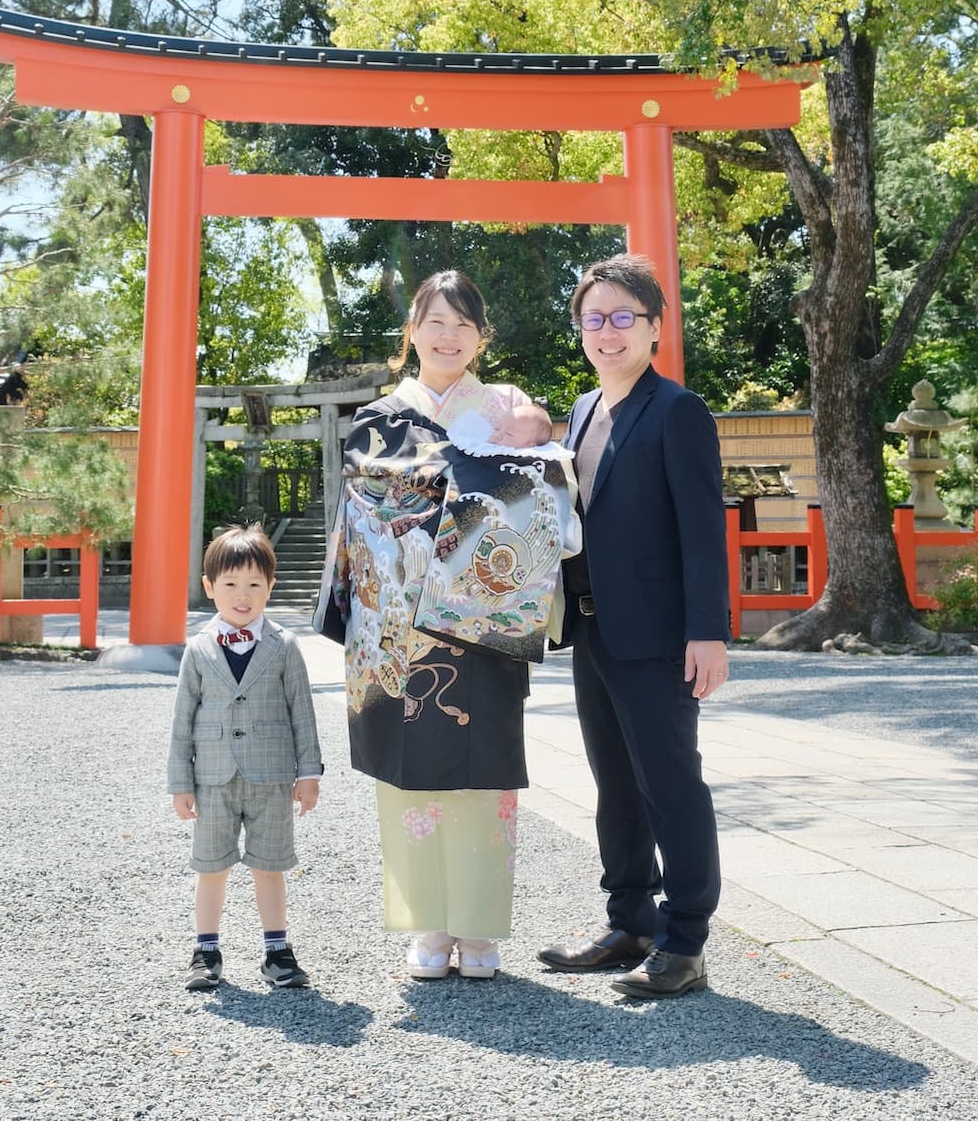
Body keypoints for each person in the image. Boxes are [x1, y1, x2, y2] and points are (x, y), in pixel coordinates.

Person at [315, 269, 577, 981]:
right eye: (435, 320)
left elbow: (538, 499)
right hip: (401, 630)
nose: (449, 335)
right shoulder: (379, 416)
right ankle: (427, 925)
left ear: (481, 337)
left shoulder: (510, 408)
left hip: (485, 620)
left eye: (464, 323)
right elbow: (363, 518)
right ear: (411, 332)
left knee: (486, 776)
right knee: (410, 780)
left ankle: (481, 929)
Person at [537, 253, 730, 999]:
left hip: (658, 636)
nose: (607, 331)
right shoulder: (585, 409)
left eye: (624, 317)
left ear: (654, 327)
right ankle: (631, 922)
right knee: (614, 786)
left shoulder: (676, 409)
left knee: (671, 787)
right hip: (592, 631)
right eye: (594, 318)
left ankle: (685, 942)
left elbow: (701, 531)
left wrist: (707, 632)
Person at [168, 525, 322, 992]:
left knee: (269, 864)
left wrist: (309, 772)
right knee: (211, 865)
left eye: (255, 585)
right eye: (230, 585)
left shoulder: (284, 645)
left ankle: (277, 951)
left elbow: (302, 711)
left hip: (272, 774)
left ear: (270, 587)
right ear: (209, 586)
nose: (243, 596)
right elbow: (182, 720)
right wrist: (180, 782)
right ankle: (205, 949)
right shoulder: (197, 649)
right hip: (212, 776)